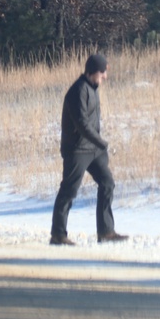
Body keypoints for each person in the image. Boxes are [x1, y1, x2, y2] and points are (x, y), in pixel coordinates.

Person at [49, 54, 128, 245]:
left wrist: (99, 146)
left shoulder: (92, 88)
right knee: (69, 190)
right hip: (77, 150)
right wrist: (102, 142)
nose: (105, 77)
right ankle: (58, 235)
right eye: (102, 73)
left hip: (94, 149)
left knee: (107, 183)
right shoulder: (78, 91)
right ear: (92, 72)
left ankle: (106, 232)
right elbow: (82, 124)